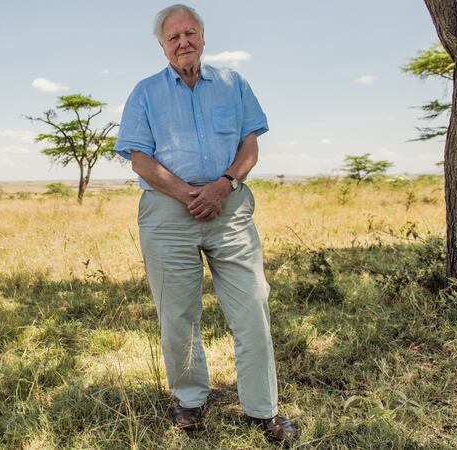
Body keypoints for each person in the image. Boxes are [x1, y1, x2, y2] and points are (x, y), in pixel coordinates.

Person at [113, 4, 298, 443]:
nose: (183, 43)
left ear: (203, 37)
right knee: (178, 313)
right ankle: (191, 401)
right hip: (167, 213)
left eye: (190, 33)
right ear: (162, 46)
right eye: (173, 37)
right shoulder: (145, 92)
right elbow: (139, 158)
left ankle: (263, 410)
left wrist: (224, 185)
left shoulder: (234, 84)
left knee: (252, 306)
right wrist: (188, 194)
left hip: (228, 207)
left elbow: (250, 145)